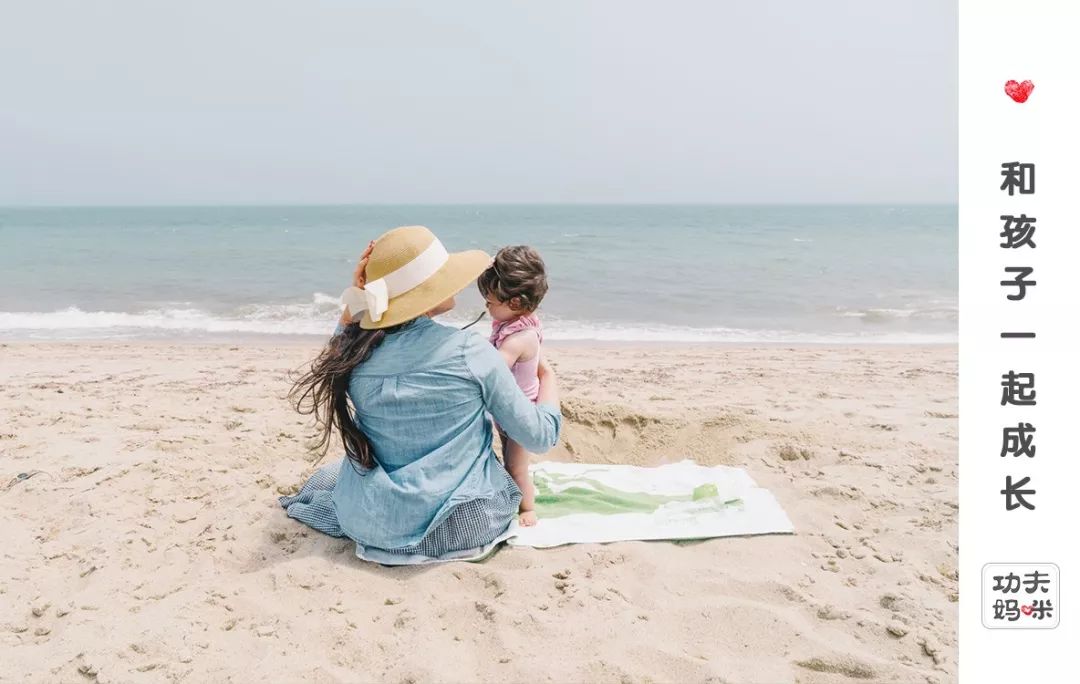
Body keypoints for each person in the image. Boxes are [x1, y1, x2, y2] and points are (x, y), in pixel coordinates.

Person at [280, 226, 562, 564]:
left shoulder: (353, 356)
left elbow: (337, 348)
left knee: (333, 476)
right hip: (462, 525)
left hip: (373, 521)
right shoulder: (470, 352)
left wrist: (356, 302)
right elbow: (540, 436)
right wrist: (548, 378)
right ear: (425, 292)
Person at [476, 246, 549, 526]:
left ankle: (527, 507)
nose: (487, 307)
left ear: (516, 303)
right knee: (509, 455)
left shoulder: (519, 339)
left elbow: (493, 366)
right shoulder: (516, 324)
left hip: (519, 415)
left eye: (490, 302)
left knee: (516, 466)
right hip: (508, 411)